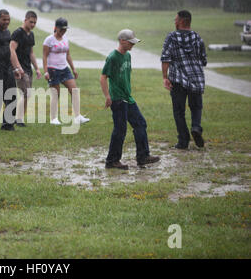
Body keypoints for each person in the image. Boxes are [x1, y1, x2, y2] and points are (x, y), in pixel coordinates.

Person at [100, 29, 160, 170]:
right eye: (130, 42)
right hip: (118, 99)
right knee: (120, 130)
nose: (133, 44)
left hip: (128, 97)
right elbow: (103, 77)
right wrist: (108, 96)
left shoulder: (127, 56)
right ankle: (112, 161)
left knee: (140, 124)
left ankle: (143, 156)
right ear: (122, 41)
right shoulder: (113, 57)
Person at [161, 10, 207, 149]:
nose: (174, 22)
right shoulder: (197, 38)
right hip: (196, 79)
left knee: (179, 111)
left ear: (181, 21)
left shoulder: (172, 37)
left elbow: (165, 58)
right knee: (196, 107)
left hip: (178, 79)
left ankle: (183, 140)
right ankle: (196, 128)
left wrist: (165, 77)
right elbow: (203, 60)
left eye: (176, 19)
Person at [42, 18, 89, 125]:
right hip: (53, 69)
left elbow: (68, 55)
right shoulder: (49, 40)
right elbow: (44, 56)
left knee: (74, 91)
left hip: (64, 69)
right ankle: (53, 118)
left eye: (65, 29)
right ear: (56, 28)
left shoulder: (65, 39)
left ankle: (78, 116)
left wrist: (73, 69)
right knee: (56, 94)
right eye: (61, 29)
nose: (63, 31)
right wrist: (46, 71)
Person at [9, 10, 41, 127]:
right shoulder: (18, 33)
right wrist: (18, 67)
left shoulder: (31, 35)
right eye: (31, 22)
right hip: (19, 69)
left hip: (28, 68)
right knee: (26, 93)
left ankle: (20, 118)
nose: (32, 25)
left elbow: (31, 53)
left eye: (34, 23)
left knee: (28, 94)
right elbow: (11, 49)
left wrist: (37, 68)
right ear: (25, 20)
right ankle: (18, 118)